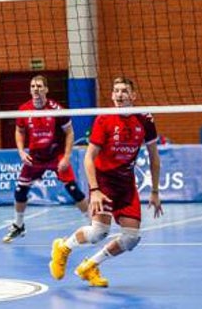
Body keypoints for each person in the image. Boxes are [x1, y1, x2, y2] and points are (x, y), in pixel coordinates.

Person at [49, 77, 162, 287]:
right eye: (116, 91)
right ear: (112, 96)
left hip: (126, 184)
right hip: (104, 181)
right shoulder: (104, 119)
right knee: (98, 232)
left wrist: (155, 191)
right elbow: (88, 158)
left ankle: (90, 265)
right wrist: (95, 190)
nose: (120, 95)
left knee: (131, 238)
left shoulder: (145, 119)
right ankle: (63, 247)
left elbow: (154, 157)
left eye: (125, 91)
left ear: (133, 96)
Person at [2, 75, 87, 243]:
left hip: (56, 155)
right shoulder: (24, 110)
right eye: (33, 86)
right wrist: (21, 151)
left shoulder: (57, 110)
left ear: (46, 89)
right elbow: (19, 131)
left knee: (72, 189)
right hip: (35, 157)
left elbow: (69, 132)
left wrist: (67, 157)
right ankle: (19, 226)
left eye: (39, 86)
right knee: (20, 190)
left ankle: (93, 223)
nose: (36, 89)